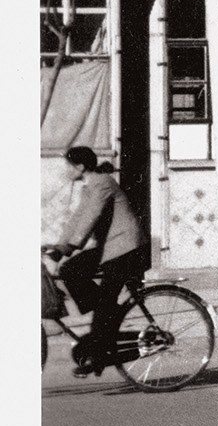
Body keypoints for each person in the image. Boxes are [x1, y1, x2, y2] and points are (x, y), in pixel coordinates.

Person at [46, 146, 150, 376]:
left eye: (69, 166)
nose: (66, 170)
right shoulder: (89, 186)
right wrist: (59, 247)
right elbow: (77, 219)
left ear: (81, 167)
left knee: (104, 304)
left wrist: (68, 247)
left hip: (125, 248)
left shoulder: (102, 183)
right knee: (70, 270)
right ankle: (109, 315)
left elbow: (90, 218)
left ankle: (98, 356)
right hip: (110, 247)